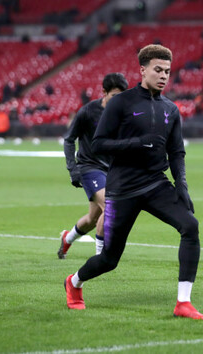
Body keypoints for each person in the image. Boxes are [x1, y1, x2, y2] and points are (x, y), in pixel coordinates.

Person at [63, 44, 203, 320]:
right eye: (158, 70)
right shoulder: (121, 103)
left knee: (190, 226)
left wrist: (182, 186)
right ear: (142, 70)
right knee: (109, 260)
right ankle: (74, 282)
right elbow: (101, 144)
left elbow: (176, 153)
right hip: (122, 189)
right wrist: (136, 143)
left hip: (156, 184)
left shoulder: (171, 109)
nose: (163, 75)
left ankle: (183, 303)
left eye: (167, 71)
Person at [58, 73, 129, 259]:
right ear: (104, 92)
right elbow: (69, 140)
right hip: (89, 167)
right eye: (114, 96)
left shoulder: (123, 113)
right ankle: (100, 258)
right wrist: (72, 169)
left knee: (92, 219)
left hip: (111, 170)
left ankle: (68, 238)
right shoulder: (88, 111)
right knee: (110, 206)